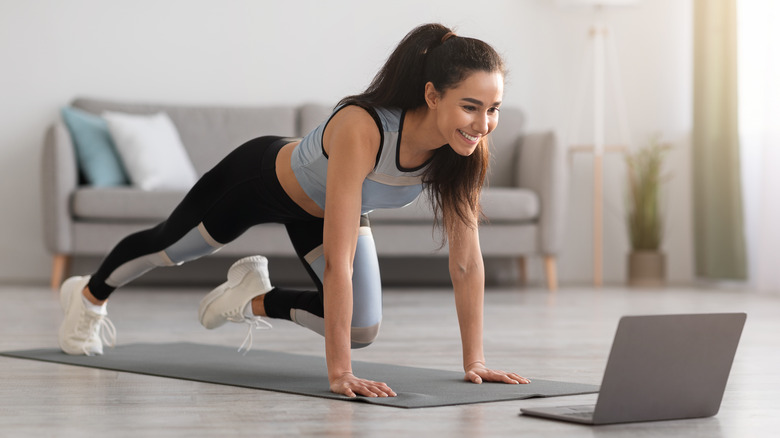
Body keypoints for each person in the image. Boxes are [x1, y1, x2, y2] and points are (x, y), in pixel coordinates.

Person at [57, 23, 530, 398]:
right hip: (259, 181)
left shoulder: (464, 153)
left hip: (327, 211)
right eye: (472, 107)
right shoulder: (363, 127)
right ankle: (87, 298)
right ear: (432, 95)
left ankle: (250, 297)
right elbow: (340, 259)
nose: (484, 124)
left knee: (362, 327)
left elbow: (466, 261)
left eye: (494, 109)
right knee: (170, 249)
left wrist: (476, 362)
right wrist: (341, 372)